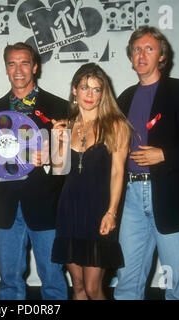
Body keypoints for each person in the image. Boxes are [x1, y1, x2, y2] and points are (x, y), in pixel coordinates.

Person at [113, 26, 179, 300]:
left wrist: (165, 156)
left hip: (173, 199)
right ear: (130, 56)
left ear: (161, 56)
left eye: (149, 49)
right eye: (137, 49)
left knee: (176, 284)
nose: (142, 54)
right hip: (131, 200)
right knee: (126, 280)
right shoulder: (124, 98)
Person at [0, 42, 68, 300]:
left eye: (25, 63)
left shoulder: (59, 107)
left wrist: (51, 158)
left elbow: (68, 162)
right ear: (6, 68)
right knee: (9, 280)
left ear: (35, 67)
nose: (18, 70)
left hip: (46, 205)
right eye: (12, 63)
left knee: (52, 279)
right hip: (7, 206)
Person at [50, 63, 131, 300]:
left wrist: (112, 212)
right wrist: (58, 141)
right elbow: (58, 171)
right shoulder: (66, 125)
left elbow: (118, 172)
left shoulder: (116, 125)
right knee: (77, 287)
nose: (90, 94)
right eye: (84, 87)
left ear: (103, 93)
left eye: (96, 89)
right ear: (74, 90)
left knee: (94, 288)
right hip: (69, 211)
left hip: (99, 213)